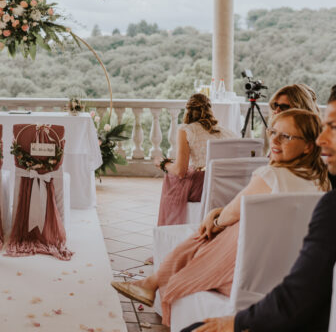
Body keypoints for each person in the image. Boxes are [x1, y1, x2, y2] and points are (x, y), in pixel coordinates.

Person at [111, 109, 329, 327]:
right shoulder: (322, 182)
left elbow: (231, 213)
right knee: (212, 230)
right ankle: (150, 283)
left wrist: (215, 220)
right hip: (287, 267)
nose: (275, 140)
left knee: (205, 234)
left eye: (286, 136)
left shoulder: (271, 176)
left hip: (246, 268)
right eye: (273, 132)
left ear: (309, 145)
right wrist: (218, 217)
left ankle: (152, 283)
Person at [183, 86, 336, 332]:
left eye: (334, 127)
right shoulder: (322, 180)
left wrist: (235, 322)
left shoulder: (327, 202)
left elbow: (300, 295)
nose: (322, 139)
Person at [156, 94, 237, 226]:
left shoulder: (186, 130)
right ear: (210, 110)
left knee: (171, 178)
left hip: (204, 186)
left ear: (188, 110)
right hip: (227, 185)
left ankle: (171, 226)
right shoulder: (226, 132)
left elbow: (180, 171)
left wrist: (162, 163)